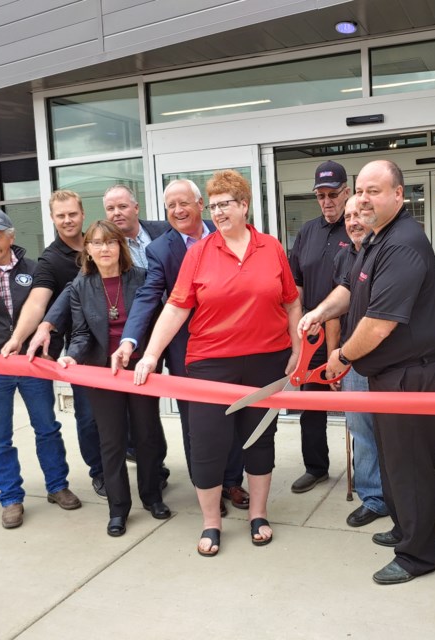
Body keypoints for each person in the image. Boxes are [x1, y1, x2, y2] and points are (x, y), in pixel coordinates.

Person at [300, 160, 435, 586]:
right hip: (389, 374)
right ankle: (406, 529)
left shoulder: (402, 244)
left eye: (374, 191)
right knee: (392, 462)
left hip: (415, 375)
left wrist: (341, 358)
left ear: (398, 196)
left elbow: (379, 323)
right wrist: (318, 312)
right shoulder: (374, 239)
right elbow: (350, 290)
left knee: (412, 466)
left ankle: (417, 556)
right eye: (361, 191)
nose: (364, 199)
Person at [133, 170, 301, 557]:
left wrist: (296, 350)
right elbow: (176, 307)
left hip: (266, 361)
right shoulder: (200, 252)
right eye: (214, 205)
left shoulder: (271, 247)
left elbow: (291, 301)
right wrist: (151, 354)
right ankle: (211, 522)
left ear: (244, 206)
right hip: (210, 365)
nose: (219, 212)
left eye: (226, 204)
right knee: (208, 444)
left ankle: (258, 514)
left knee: (259, 441)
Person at [110, 179, 249, 519]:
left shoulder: (229, 231)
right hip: (189, 351)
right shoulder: (161, 249)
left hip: (236, 345)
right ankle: (209, 488)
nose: (177, 210)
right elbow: (149, 297)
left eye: (183, 202)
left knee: (235, 415)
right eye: (170, 205)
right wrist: (131, 339)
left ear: (201, 204)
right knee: (198, 425)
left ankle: (232, 481)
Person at [0, 209, 80, 529]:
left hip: (31, 363)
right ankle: (10, 498)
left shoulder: (34, 269)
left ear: (11, 236)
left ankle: (57, 487)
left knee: (47, 427)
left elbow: (49, 313)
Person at [57, 221, 170, 536]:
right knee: (112, 441)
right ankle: (118, 508)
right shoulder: (81, 286)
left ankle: (152, 496)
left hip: (140, 371)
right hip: (102, 373)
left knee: (147, 435)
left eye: (110, 242)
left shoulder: (142, 278)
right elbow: (80, 334)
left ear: (121, 246)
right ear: (88, 251)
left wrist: (151, 358)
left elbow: (155, 323)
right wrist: (72, 355)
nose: (103, 248)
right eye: (96, 243)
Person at [0, 190, 105, 498]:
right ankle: (99, 470)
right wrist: (18, 338)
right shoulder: (50, 260)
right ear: (53, 218)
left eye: (72, 213)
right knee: (87, 416)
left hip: (116, 345)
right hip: (82, 350)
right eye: (61, 215)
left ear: (82, 213)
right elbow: (37, 302)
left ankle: (139, 461)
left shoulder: (100, 243)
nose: (68, 220)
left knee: (128, 413)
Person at [287, 161, 351, 494]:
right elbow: (295, 288)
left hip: (350, 336)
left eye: (333, 194)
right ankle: (316, 467)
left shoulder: (356, 230)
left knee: (358, 411)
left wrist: (334, 354)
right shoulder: (308, 232)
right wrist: (296, 339)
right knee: (311, 407)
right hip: (312, 335)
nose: (327, 202)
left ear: (347, 192)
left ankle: (369, 478)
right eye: (321, 195)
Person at [101, 184, 172, 470]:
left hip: (178, 326)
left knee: (194, 402)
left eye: (122, 206)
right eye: (110, 209)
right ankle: (154, 465)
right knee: (143, 407)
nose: (116, 213)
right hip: (137, 333)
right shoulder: (106, 245)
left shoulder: (165, 230)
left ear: (136, 207)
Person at [327, 195, 386, 527]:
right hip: (352, 360)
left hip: (391, 362)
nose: (353, 222)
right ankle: (373, 496)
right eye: (348, 216)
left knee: (392, 433)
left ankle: (399, 492)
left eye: (361, 214)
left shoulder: (389, 252)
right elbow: (338, 312)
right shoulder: (343, 257)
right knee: (361, 431)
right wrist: (333, 359)